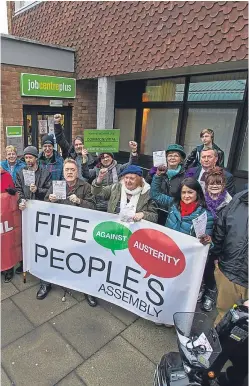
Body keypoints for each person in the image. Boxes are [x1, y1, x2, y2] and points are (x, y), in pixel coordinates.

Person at [45, 158, 97, 307]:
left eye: (72, 170)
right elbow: (42, 204)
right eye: (67, 170)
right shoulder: (57, 186)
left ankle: (88, 290)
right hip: (60, 230)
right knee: (53, 256)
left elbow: (94, 208)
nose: (69, 172)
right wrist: (50, 199)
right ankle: (46, 283)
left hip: (80, 231)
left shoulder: (85, 186)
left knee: (84, 260)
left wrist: (80, 201)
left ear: (77, 171)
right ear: (63, 172)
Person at [15, 146, 52, 298]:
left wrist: (38, 190)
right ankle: (28, 265)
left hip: (42, 215)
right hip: (26, 212)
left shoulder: (45, 173)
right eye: (26, 158)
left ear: (36, 158)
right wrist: (20, 200)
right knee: (27, 241)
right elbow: (18, 189)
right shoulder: (21, 172)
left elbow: (50, 191)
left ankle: (45, 280)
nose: (28, 160)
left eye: (31, 157)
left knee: (42, 244)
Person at [211, 190, 248, 326]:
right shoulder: (240, 198)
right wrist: (216, 257)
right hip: (228, 271)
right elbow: (221, 228)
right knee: (224, 317)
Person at [198, 167, 232, 312]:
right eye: (211, 183)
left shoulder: (230, 202)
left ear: (223, 184)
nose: (215, 185)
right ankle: (199, 289)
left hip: (220, 241)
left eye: (218, 183)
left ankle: (210, 295)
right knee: (200, 267)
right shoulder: (201, 199)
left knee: (213, 269)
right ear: (206, 184)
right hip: (203, 239)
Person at [151, 173, 214, 239]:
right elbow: (155, 195)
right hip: (167, 245)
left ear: (197, 193)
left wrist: (206, 241)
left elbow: (206, 244)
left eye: (190, 192)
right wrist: (158, 176)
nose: (186, 196)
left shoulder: (205, 215)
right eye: (183, 192)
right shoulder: (173, 203)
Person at [83, 141, 139, 211]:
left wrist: (133, 151)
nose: (106, 159)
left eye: (108, 156)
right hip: (100, 203)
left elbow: (131, 165)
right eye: (103, 158)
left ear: (112, 158)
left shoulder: (119, 167)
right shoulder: (97, 169)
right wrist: (84, 160)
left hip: (115, 203)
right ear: (100, 160)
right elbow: (86, 174)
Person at [91, 165, 158, 223]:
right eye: (126, 177)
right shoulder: (117, 187)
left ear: (139, 180)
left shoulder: (146, 192)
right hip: (112, 227)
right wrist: (99, 179)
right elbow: (97, 193)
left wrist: (143, 214)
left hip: (134, 231)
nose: (128, 181)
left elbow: (154, 216)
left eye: (132, 178)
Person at [146, 144, 186, 225]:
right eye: (170, 155)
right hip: (155, 211)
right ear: (166, 158)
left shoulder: (185, 176)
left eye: (176, 156)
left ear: (181, 159)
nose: (172, 158)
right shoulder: (156, 171)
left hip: (174, 215)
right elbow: (147, 186)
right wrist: (152, 174)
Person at [0, 168, 18, 282]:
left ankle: (9, 269)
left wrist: (11, 192)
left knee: (6, 242)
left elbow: (14, 193)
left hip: (6, 217)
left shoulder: (6, 175)